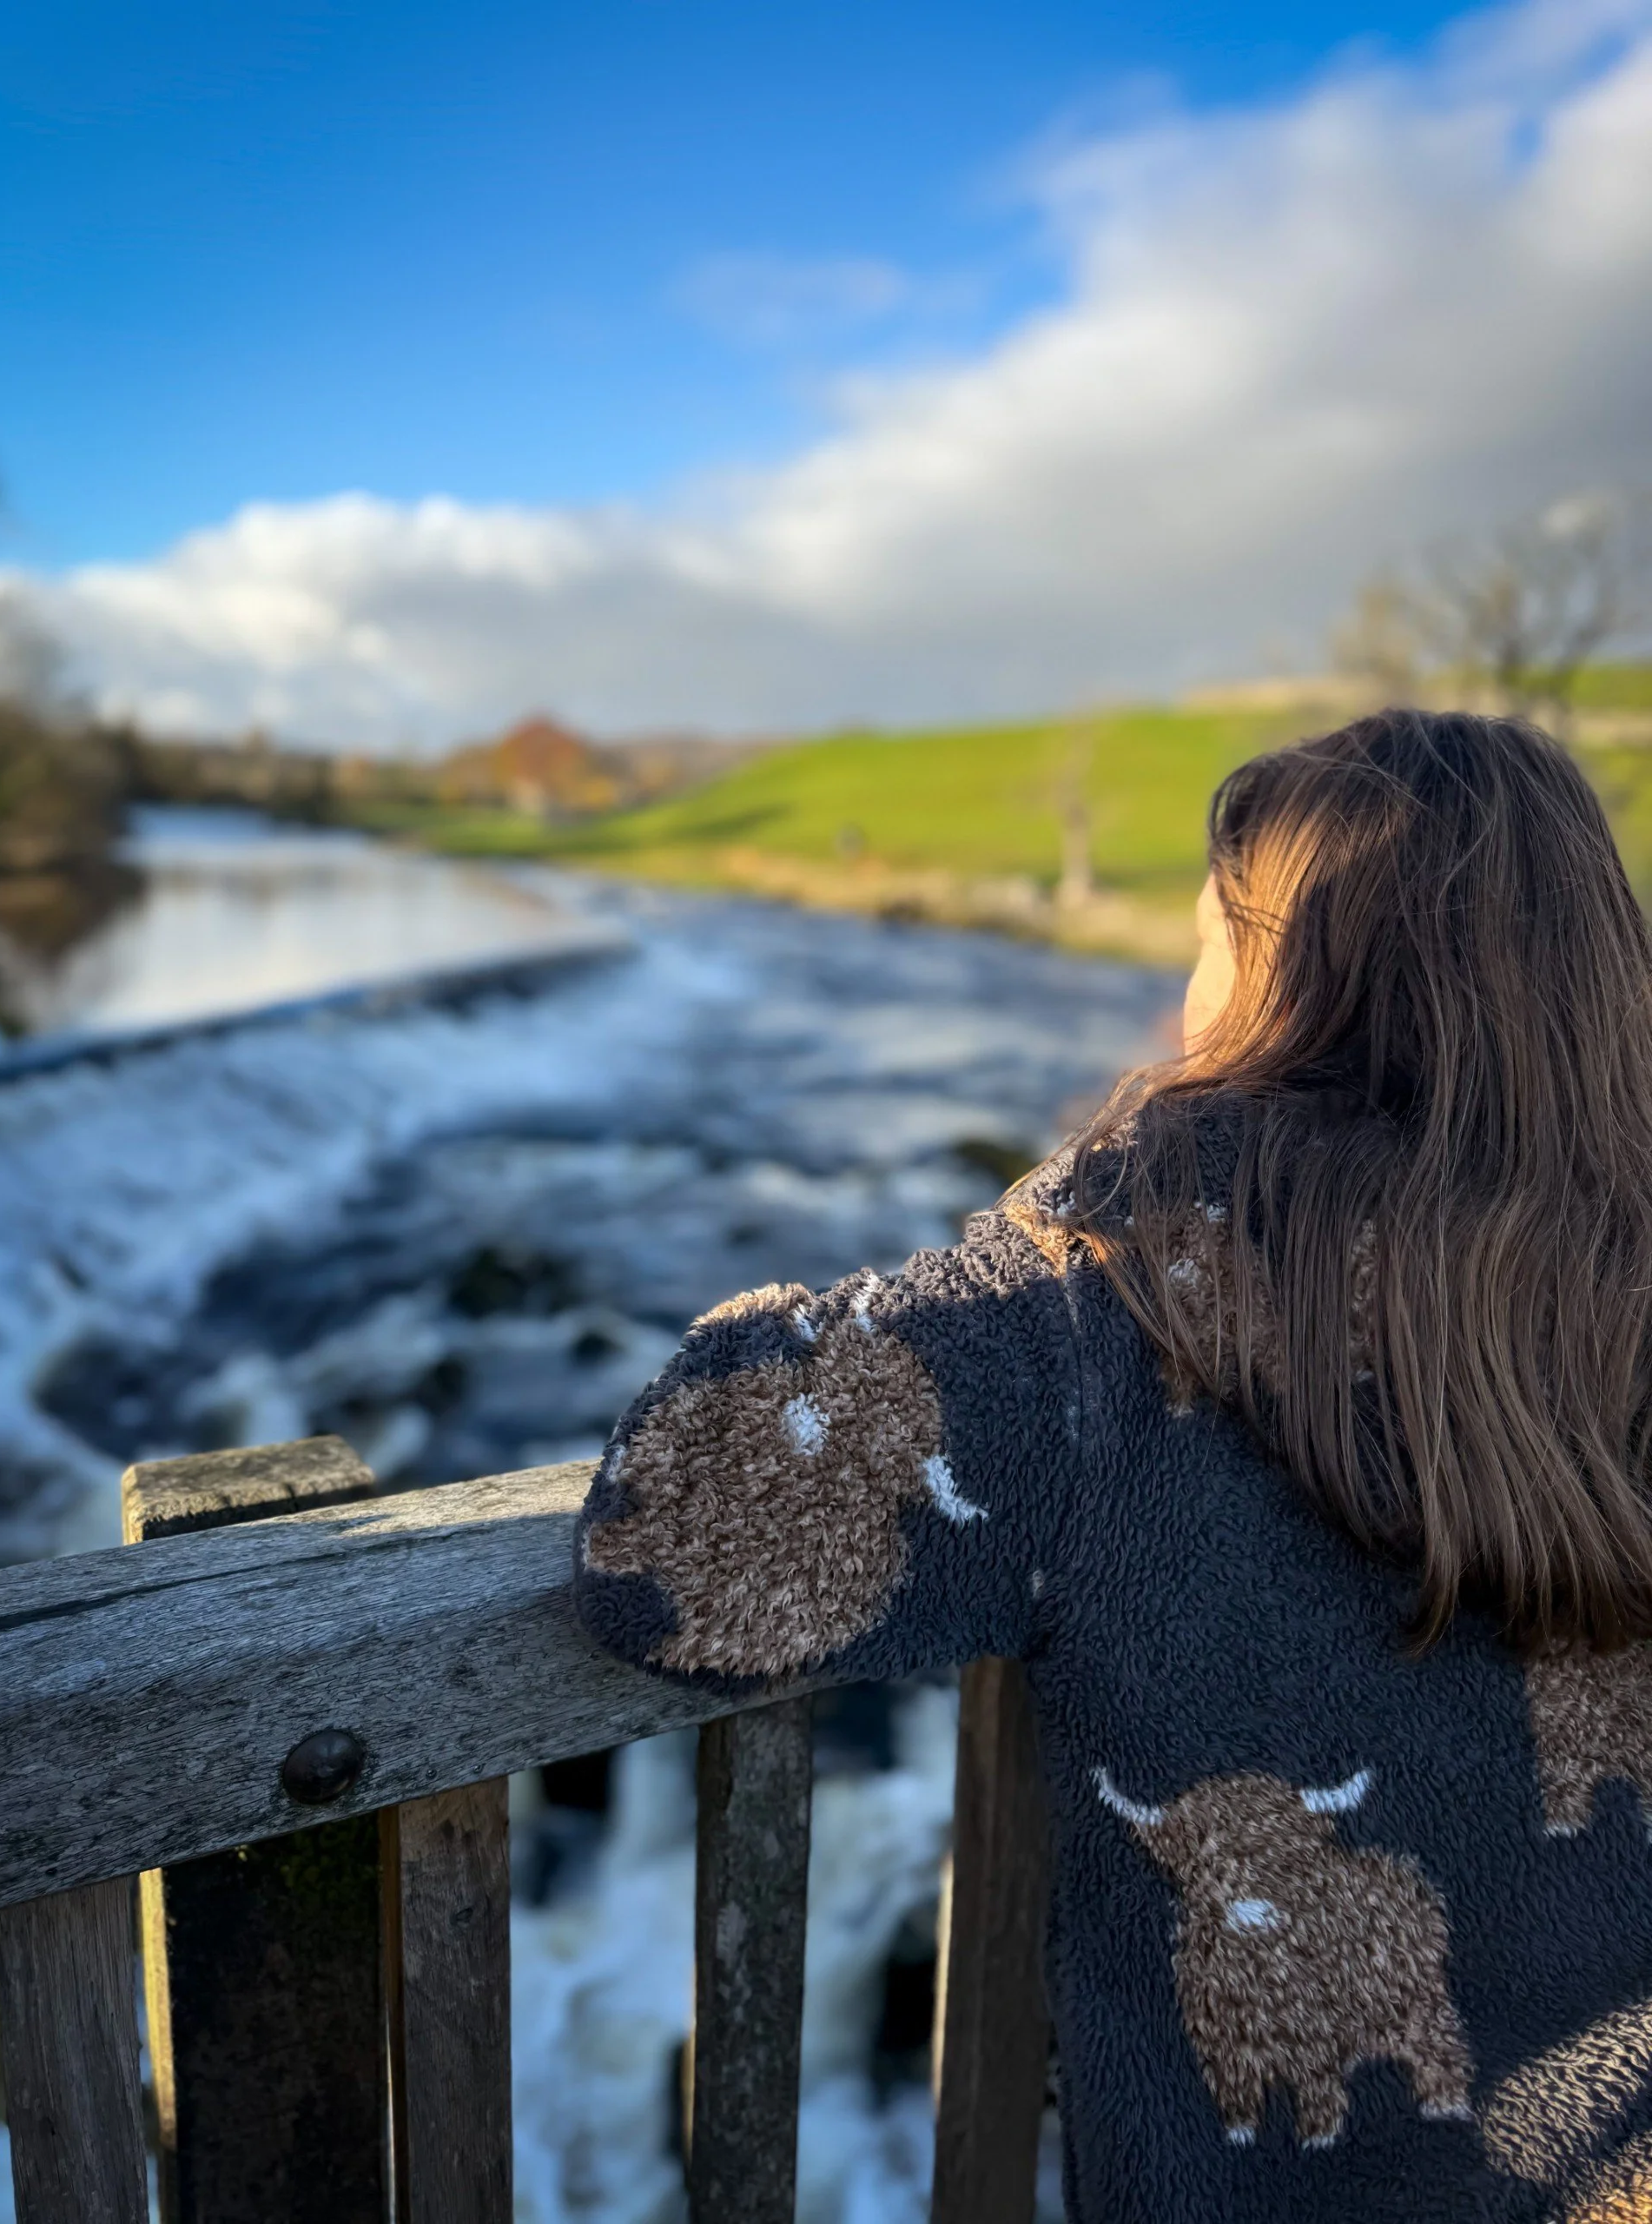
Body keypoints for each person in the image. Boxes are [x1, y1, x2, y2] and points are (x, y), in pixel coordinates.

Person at [574, 707, 1652, 2221]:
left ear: (1285, 986)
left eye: (1211, 941)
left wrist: (1112, 1182)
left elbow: (669, 1556)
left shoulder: (1113, 1313)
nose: (1180, 999)